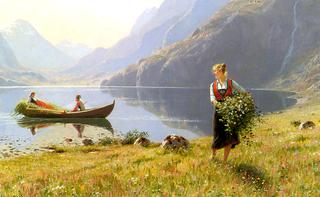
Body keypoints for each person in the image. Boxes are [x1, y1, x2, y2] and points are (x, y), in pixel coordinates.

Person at [210, 63, 246, 162]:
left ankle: (224, 160)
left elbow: (243, 91)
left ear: (221, 72)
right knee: (217, 134)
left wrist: (237, 101)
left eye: (216, 72)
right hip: (218, 112)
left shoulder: (231, 83)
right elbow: (212, 98)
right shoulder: (213, 85)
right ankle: (213, 156)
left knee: (229, 136)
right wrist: (217, 103)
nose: (214, 74)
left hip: (230, 112)